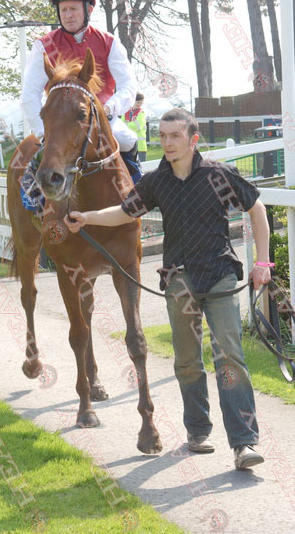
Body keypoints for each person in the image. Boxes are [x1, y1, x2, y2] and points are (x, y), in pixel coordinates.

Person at [63, 107, 272, 470]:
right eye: (162, 136)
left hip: (220, 275)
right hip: (179, 279)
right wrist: (88, 218)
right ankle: (198, 432)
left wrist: (263, 263)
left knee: (230, 358)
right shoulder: (157, 181)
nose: (167, 143)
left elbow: (257, 209)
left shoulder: (218, 175)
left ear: (193, 140)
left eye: (175, 136)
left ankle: (243, 443)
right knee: (188, 361)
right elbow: (126, 211)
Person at [20, 0, 142, 212]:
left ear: (88, 10)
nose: (68, 15)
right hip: (58, 124)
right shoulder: (42, 46)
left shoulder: (108, 42)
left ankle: (138, 192)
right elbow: (28, 96)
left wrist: (109, 108)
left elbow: (129, 86)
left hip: (101, 118)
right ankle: (35, 204)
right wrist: (45, 133)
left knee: (128, 139)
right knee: (41, 156)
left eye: (74, 9)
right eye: (64, 10)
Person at [122, 92, 147, 162]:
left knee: (142, 168)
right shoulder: (125, 112)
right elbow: (121, 126)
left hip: (140, 147)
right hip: (128, 147)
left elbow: (137, 126)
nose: (139, 104)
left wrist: (126, 124)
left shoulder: (141, 113)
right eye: (138, 102)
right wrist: (130, 125)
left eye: (141, 103)